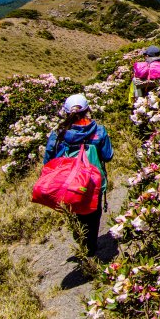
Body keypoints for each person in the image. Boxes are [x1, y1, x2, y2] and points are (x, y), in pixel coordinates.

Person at [43, 93, 114, 257]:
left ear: (65, 112)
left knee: (74, 211)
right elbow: (108, 156)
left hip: (67, 182)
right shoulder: (98, 130)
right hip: (93, 180)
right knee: (93, 213)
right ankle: (91, 245)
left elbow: (48, 160)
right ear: (88, 109)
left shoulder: (59, 133)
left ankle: (82, 241)